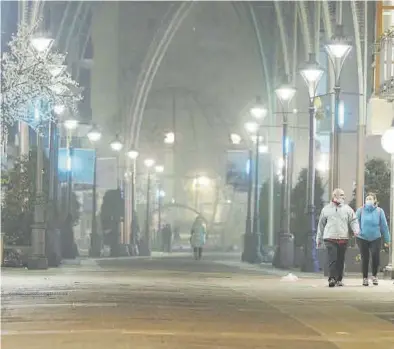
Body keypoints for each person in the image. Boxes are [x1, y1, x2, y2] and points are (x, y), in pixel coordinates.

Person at [316, 188, 359, 287]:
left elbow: (353, 220)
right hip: (330, 238)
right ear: (333, 196)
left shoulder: (348, 209)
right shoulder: (326, 209)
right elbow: (321, 225)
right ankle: (331, 278)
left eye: (342, 195)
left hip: (343, 238)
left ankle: (339, 279)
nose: (340, 197)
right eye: (338, 195)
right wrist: (318, 238)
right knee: (333, 258)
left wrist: (356, 230)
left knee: (340, 259)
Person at [356, 193, 391, 286]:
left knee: (375, 256)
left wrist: (387, 240)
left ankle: (374, 276)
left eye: (370, 199)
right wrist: (356, 232)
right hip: (362, 237)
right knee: (365, 258)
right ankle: (365, 278)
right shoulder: (360, 210)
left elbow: (384, 226)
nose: (368, 200)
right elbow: (355, 222)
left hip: (376, 237)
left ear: (375, 200)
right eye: (367, 198)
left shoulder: (379, 211)